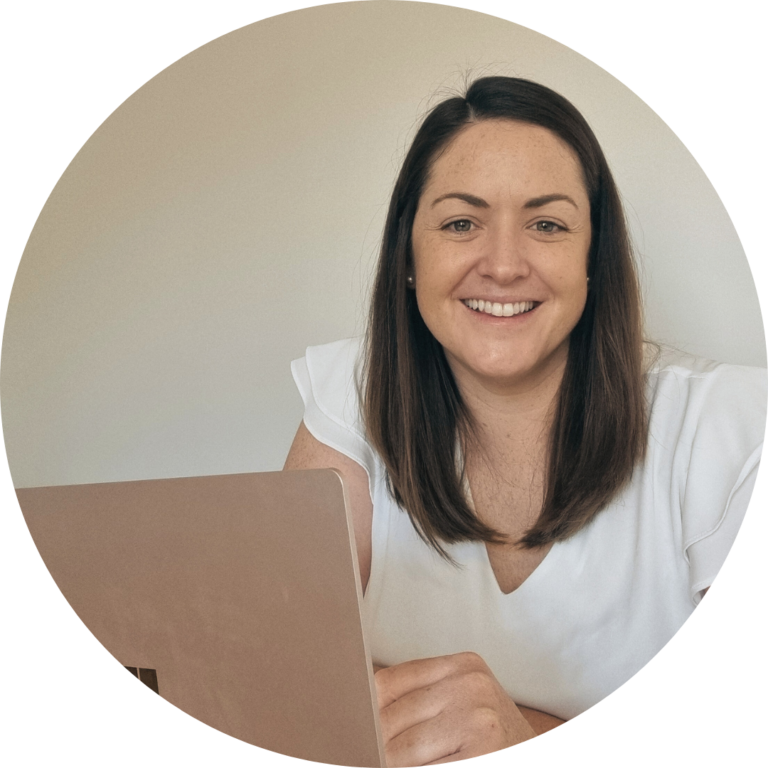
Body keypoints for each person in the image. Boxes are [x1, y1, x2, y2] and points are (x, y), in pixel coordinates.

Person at [283, 77, 766, 764]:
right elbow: (278, 682)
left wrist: (526, 732)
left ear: (593, 260)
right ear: (409, 258)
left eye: (547, 225)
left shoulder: (727, 428)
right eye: (461, 223)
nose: (504, 266)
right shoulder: (349, 398)